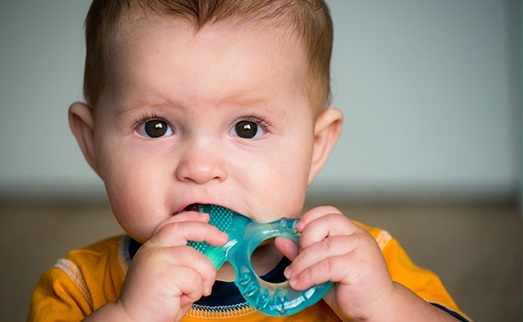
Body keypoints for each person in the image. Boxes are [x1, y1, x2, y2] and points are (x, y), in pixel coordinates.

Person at [29, 0, 470, 321]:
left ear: (315, 147)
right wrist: (129, 314)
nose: (201, 169)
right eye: (156, 127)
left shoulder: (360, 263)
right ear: (92, 144)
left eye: (246, 128)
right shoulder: (80, 286)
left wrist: (385, 306)